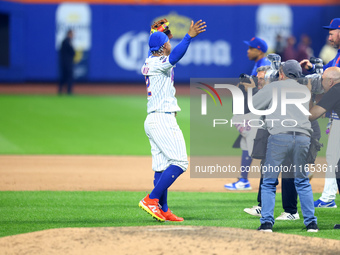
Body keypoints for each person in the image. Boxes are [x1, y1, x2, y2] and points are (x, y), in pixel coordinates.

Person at [138, 20, 207, 222]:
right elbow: (175, 54)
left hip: (155, 119)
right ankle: (151, 200)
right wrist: (188, 37)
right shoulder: (158, 62)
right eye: (167, 41)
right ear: (162, 48)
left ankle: (163, 209)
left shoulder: (151, 59)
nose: (170, 42)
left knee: (161, 167)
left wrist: (159, 33)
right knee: (180, 162)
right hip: (161, 119)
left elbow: (162, 45)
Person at [252, 60, 318, 232]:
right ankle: (311, 223)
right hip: (303, 138)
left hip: (279, 137)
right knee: (302, 181)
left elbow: (254, 105)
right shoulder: (304, 90)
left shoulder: (273, 88)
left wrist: (267, 85)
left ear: (281, 73)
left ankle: (267, 223)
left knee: (269, 182)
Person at [300, 18, 340, 208]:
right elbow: (329, 74)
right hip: (336, 113)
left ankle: (327, 198)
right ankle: (328, 197)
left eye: (332, 32)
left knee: (335, 157)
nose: (329, 36)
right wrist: (315, 69)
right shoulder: (337, 54)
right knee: (334, 157)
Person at [224, 37, 271, 191]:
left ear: (259, 51)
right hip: (254, 110)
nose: (248, 50)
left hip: (261, 112)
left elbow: (264, 89)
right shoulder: (258, 64)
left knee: (259, 145)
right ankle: (243, 180)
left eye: (251, 48)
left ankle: (299, 171)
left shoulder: (264, 65)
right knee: (247, 142)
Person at [309, 66, 340, 210]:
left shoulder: (335, 90)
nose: (320, 82)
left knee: (335, 165)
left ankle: (328, 198)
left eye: (322, 80)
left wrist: (308, 94)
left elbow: (312, 115)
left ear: (331, 81)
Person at [59, 29, 75, 95]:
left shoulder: (65, 41)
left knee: (64, 77)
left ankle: (62, 90)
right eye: (72, 34)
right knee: (68, 76)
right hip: (67, 63)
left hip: (65, 62)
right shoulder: (67, 42)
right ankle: (68, 91)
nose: (73, 35)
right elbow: (72, 52)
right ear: (69, 34)